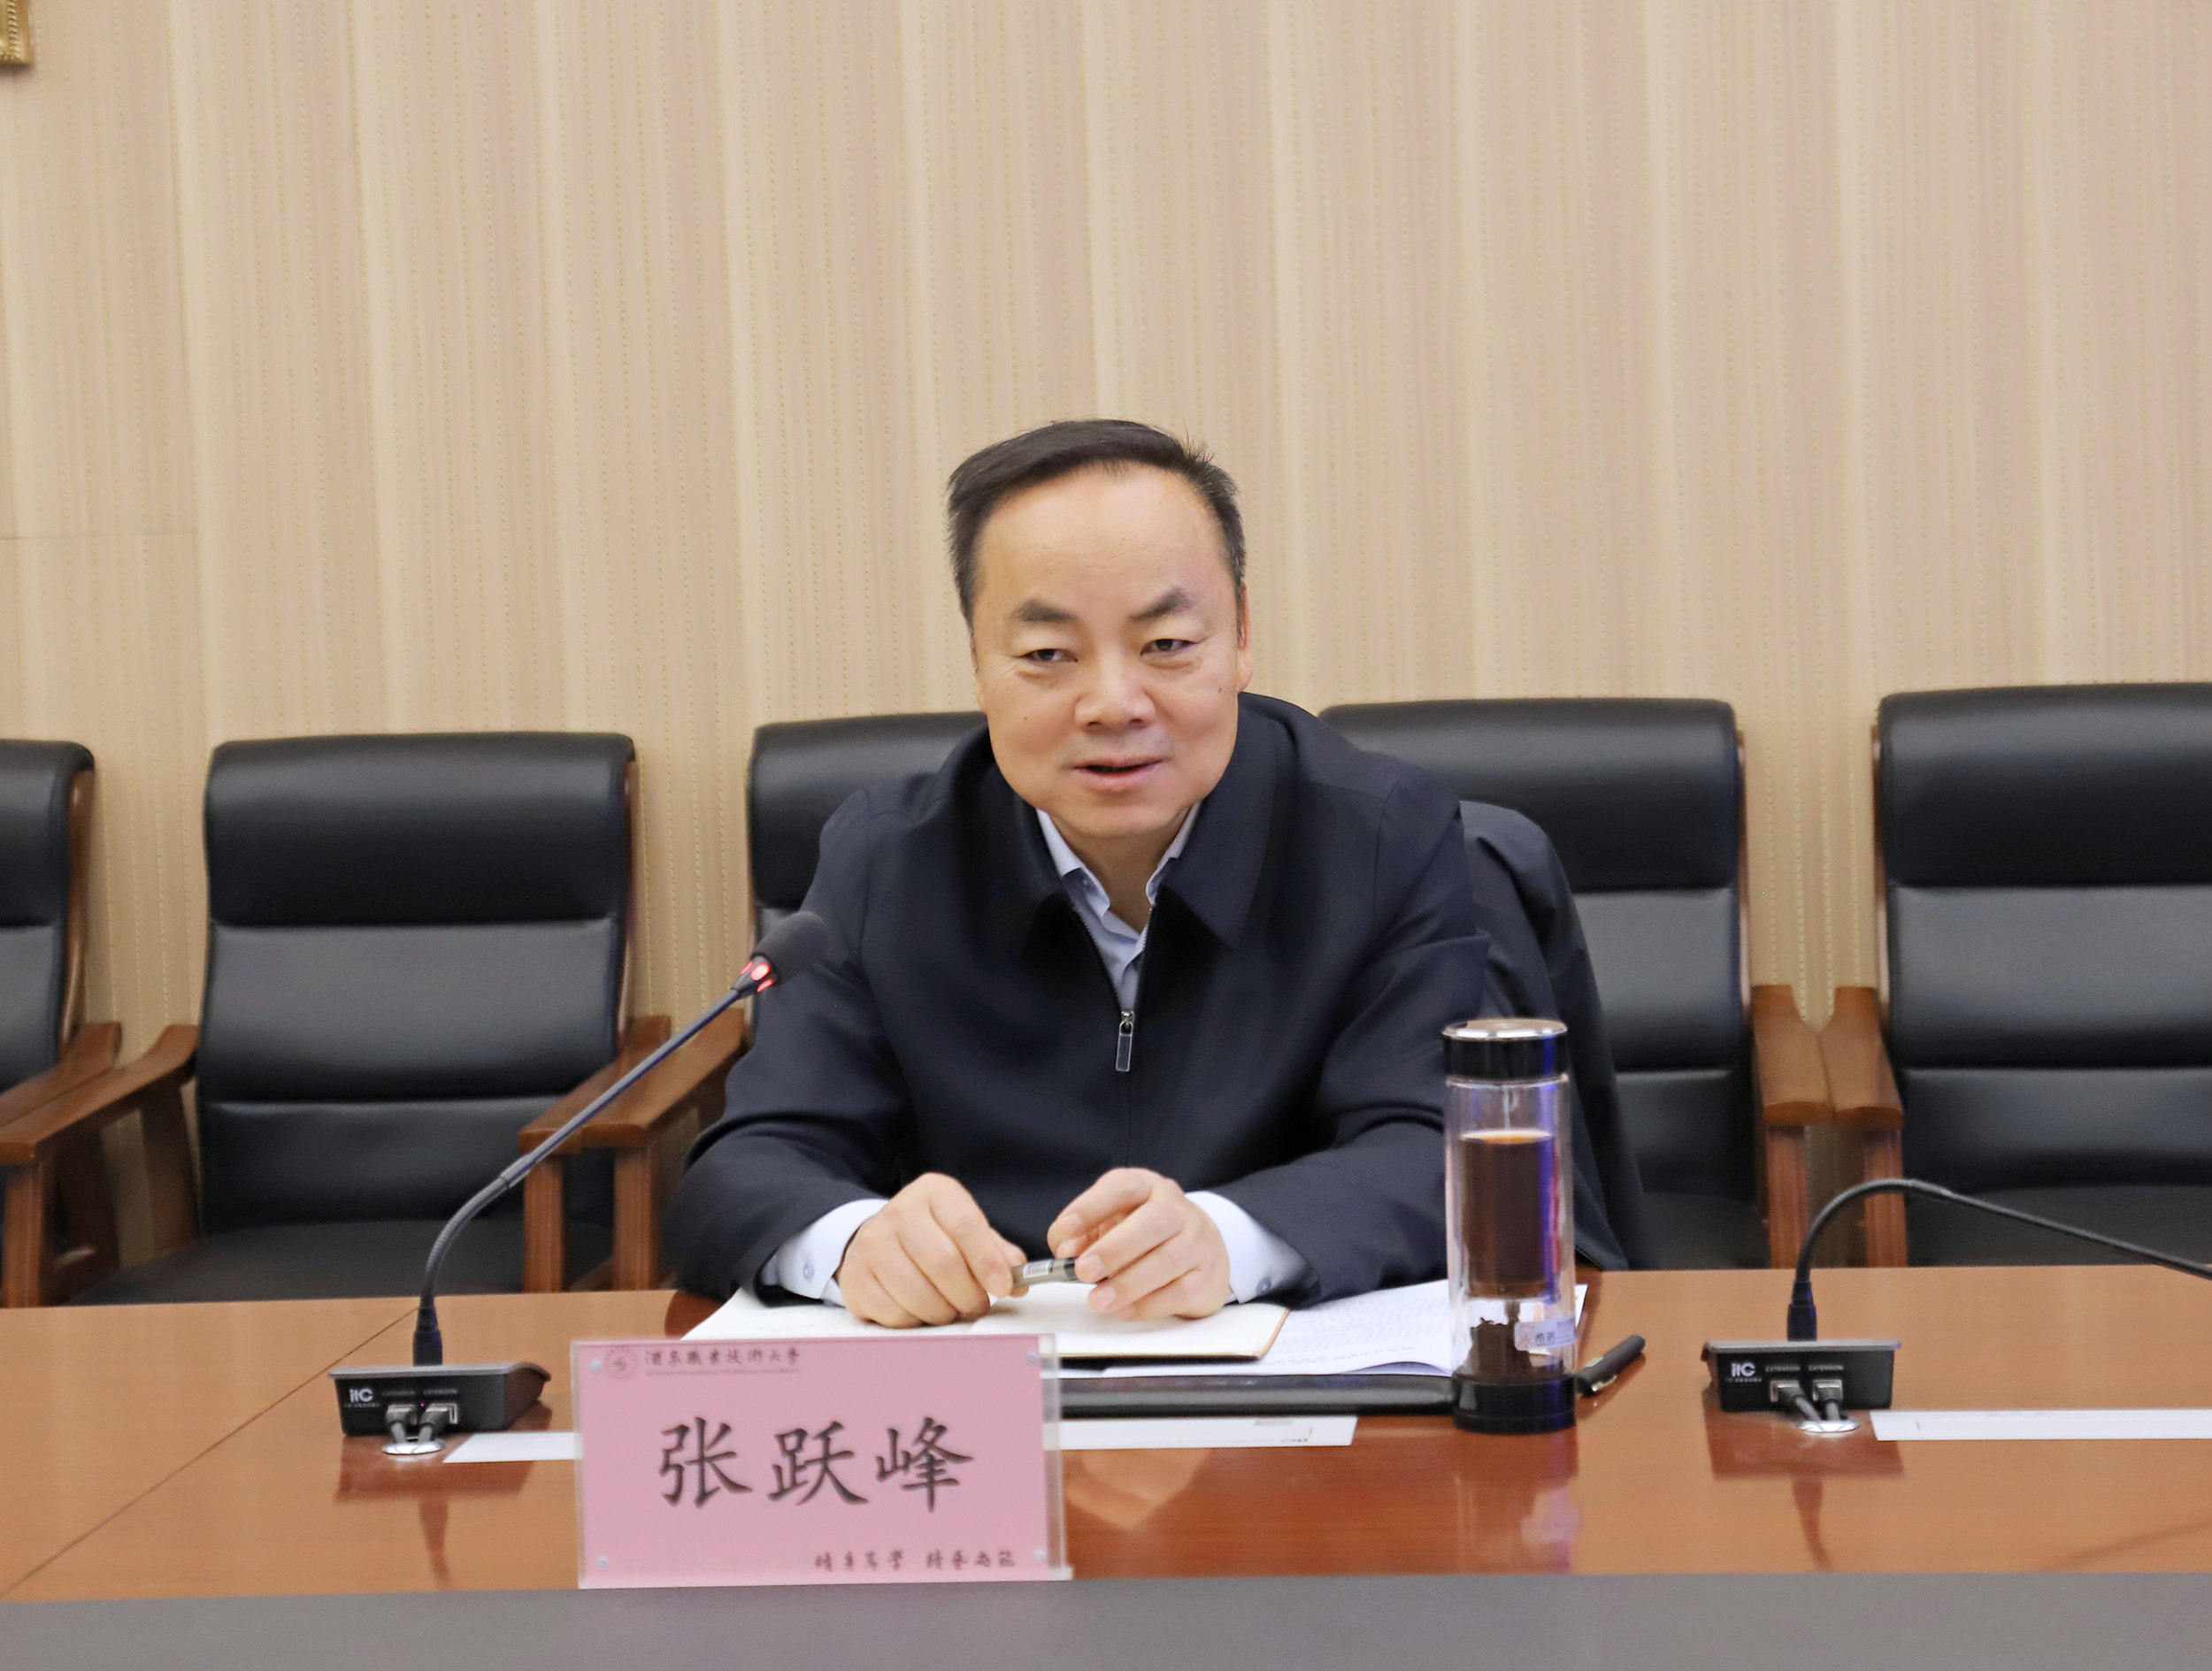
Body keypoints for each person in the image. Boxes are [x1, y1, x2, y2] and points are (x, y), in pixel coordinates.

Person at [666, 419, 1644, 1326]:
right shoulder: (886, 859)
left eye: (1166, 645)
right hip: (994, 1399)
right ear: (978, 660)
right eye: (1047, 652)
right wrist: (851, 1243)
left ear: (1242, 636)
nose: (1112, 702)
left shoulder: (1385, 837)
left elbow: (1442, 1151)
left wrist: (1232, 1238)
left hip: (1296, 1407)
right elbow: (745, 1167)